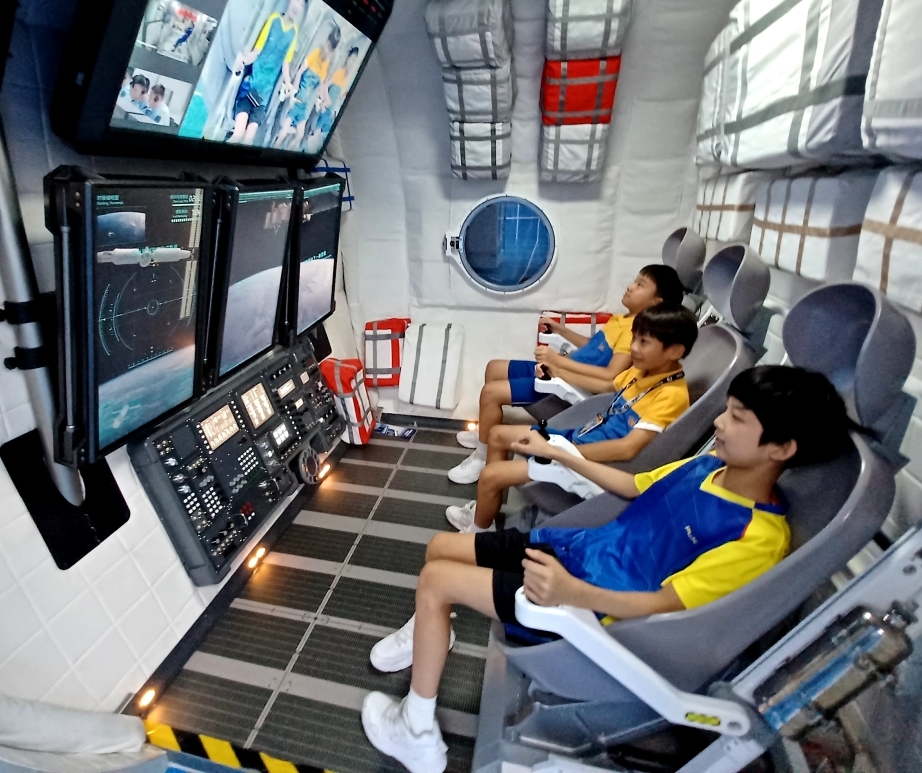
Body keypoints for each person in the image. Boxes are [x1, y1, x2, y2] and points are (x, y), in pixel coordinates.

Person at [361, 365, 869, 773]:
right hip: (579, 552)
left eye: (737, 418)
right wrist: (559, 453)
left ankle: (417, 734)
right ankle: (433, 634)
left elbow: (663, 606)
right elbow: (632, 486)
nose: (718, 422)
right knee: (441, 548)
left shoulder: (756, 537)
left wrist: (571, 594)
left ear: (781, 449)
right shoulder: (708, 467)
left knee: (437, 581)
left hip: (590, 605)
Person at [447, 305, 696, 532]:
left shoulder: (671, 396)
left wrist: (562, 452)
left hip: (590, 457)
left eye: (644, 342)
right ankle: (486, 515)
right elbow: (606, 386)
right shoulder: (643, 372)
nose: (634, 348)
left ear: (674, 350)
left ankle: (476, 534)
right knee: (497, 435)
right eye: (634, 339)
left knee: (491, 476)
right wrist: (558, 371)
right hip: (582, 436)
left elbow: (627, 448)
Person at [450, 264, 686, 484]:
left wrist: (557, 364)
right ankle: (484, 435)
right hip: (562, 367)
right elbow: (592, 348)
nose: (630, 287)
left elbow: (609, 375)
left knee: (491, 392)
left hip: (564, 380)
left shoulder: (634, 333)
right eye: (635, 281)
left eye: (640, 285)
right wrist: (561, 330)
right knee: (494, 368)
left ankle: (482, 456)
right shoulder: (621, 320)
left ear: (656, 303)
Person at [228, 0, 308, 145]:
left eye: (302, 4)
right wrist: (243, 60)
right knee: (238, 133)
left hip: (264, 97)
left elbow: (286, 63)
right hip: (250, 87)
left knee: (249, 139)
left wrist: (288, 83)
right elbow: (256, 52)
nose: (298, 6)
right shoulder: (274, 20)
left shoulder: (294, 33)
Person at [274, 22, 342, 151]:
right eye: (328, 46)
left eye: (331, 49)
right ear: (326, 42)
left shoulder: (325, 63)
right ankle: (276, 147)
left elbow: (321, 85)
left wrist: (325, 100)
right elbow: (300, 72)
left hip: (304, 106)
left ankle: (285, 152)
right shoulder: (315, 53)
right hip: (297, 99)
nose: (328, 50)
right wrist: (293, 94)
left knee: (299, 136)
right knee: (283, 133)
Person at [301, 43, 361, 153]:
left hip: (329, 112)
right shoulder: (339, 73)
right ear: (347, 58)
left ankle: (306, 149)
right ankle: (304, 149)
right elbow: (325, 85)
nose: (352, 63)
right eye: (352, 59)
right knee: (314, 134)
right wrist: (326, 99)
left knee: (318, 137)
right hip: (325, 109)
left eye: (354, 61)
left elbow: (338, 96)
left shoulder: (346, 78)